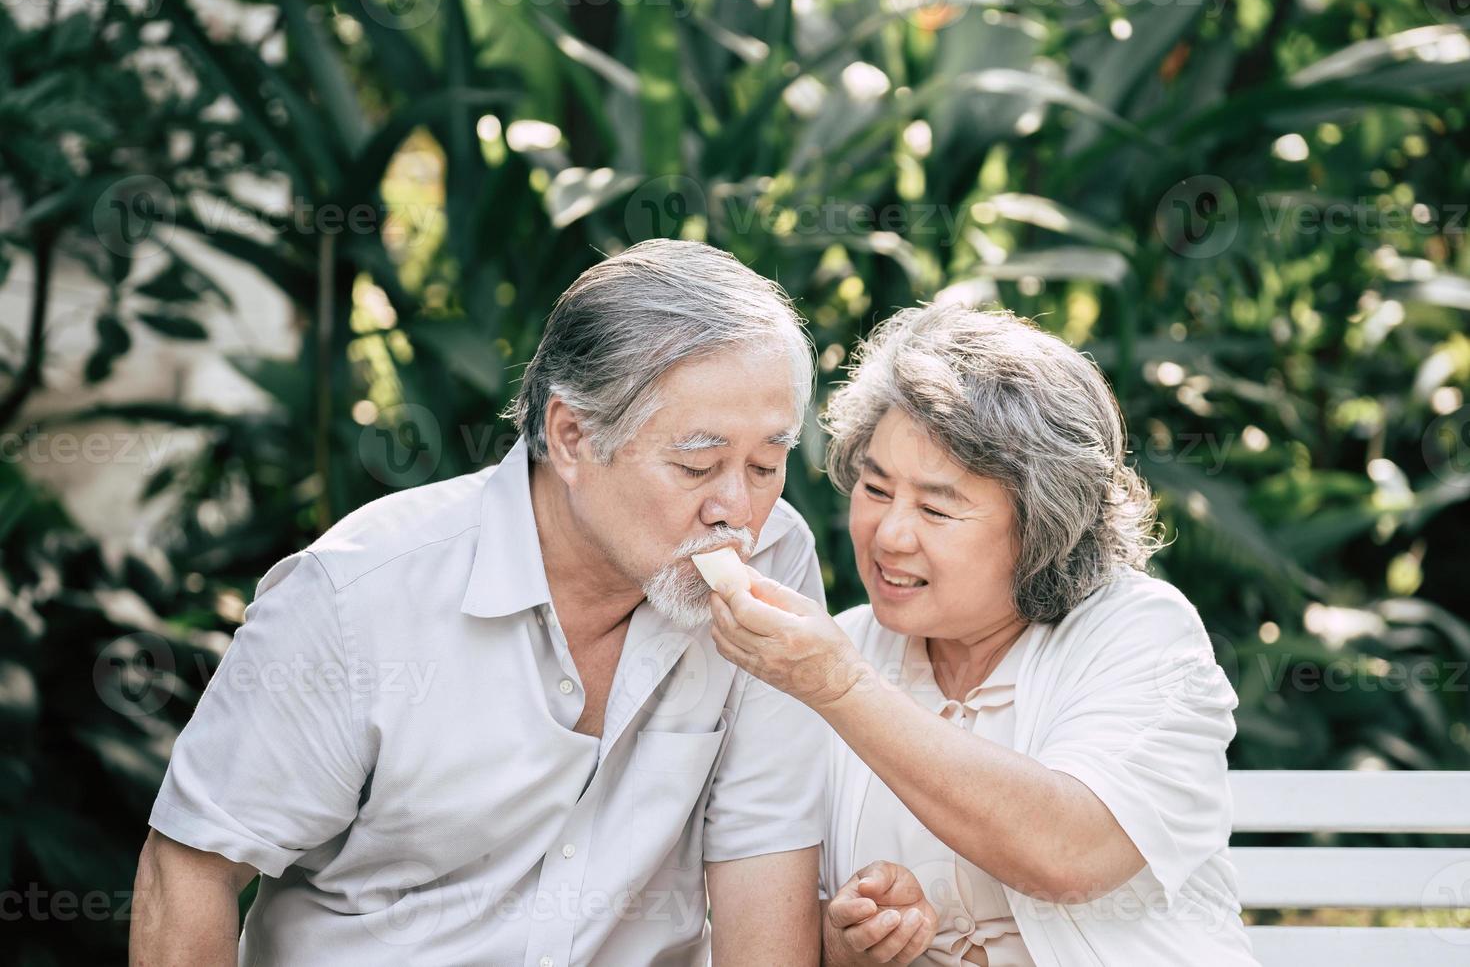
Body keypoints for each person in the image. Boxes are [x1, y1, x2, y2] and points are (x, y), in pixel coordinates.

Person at [130, 239, 828, 966]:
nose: (738, 510)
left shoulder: (776, 559)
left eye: (766, 464)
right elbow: (191, 870)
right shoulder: (356, 596)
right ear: (571, 438)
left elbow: (764, 855)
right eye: (697, 465)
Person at [708, 304, 1259, 966]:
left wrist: (841, 687)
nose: (889, 535)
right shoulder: (839, 646)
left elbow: (1070, 853)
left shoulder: (1140, 633)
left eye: (937, 508)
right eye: (876, 489)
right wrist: (848, 941)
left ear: (1042, 526)